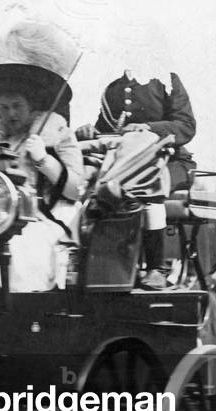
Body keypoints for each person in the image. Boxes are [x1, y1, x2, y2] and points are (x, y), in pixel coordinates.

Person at [0, 20, 83, 291]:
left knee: (20, 250)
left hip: (42, 217)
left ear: (31, 105)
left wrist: (43, 159)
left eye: (17, 106)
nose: (11, 114)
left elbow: (76, 190)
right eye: (4, 107)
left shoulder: (55, 131)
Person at [76, 65, 196, 289]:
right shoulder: (114, 88)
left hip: (172, 161)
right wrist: (90, 132)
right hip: (128, 163)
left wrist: (148, 128)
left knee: (147, 184)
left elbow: (186, 127)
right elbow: (111, 130)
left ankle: (156, 268)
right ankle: (104, 268)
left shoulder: (166, 80)